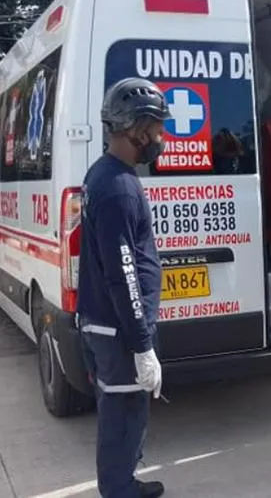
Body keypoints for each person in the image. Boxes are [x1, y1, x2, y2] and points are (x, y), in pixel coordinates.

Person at [76, 77, 169, 498]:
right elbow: (123, 272)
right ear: (133, 128)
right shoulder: (116, 189)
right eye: (154, 129)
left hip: (110, 326)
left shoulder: (107, 175)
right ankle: (119, 490)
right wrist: (142, 343)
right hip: (118, 331)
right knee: (123, 412)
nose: (160, 138)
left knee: (126, 409)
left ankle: (122, 482)